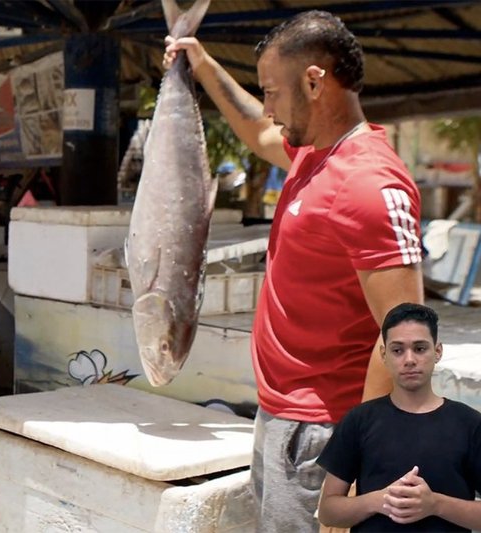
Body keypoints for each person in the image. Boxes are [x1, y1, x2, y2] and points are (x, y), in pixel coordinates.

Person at [164, 10, 424, 532]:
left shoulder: (369, 184)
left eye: (273, 92)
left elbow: (404, 331)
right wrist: (203, 64)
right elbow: (257, 131)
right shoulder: (315, 154)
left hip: (324, 434)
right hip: (284, 418)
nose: (268, 106)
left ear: (314, 82)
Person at [317, 303, 481, 532]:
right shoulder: (359, 420)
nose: (409, 359)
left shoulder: (469, 424)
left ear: (438, 352)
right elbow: (328, 511)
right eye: (397, 350)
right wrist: (379, 500)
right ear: (384, 355)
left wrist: (435, 504)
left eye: (420, 348)